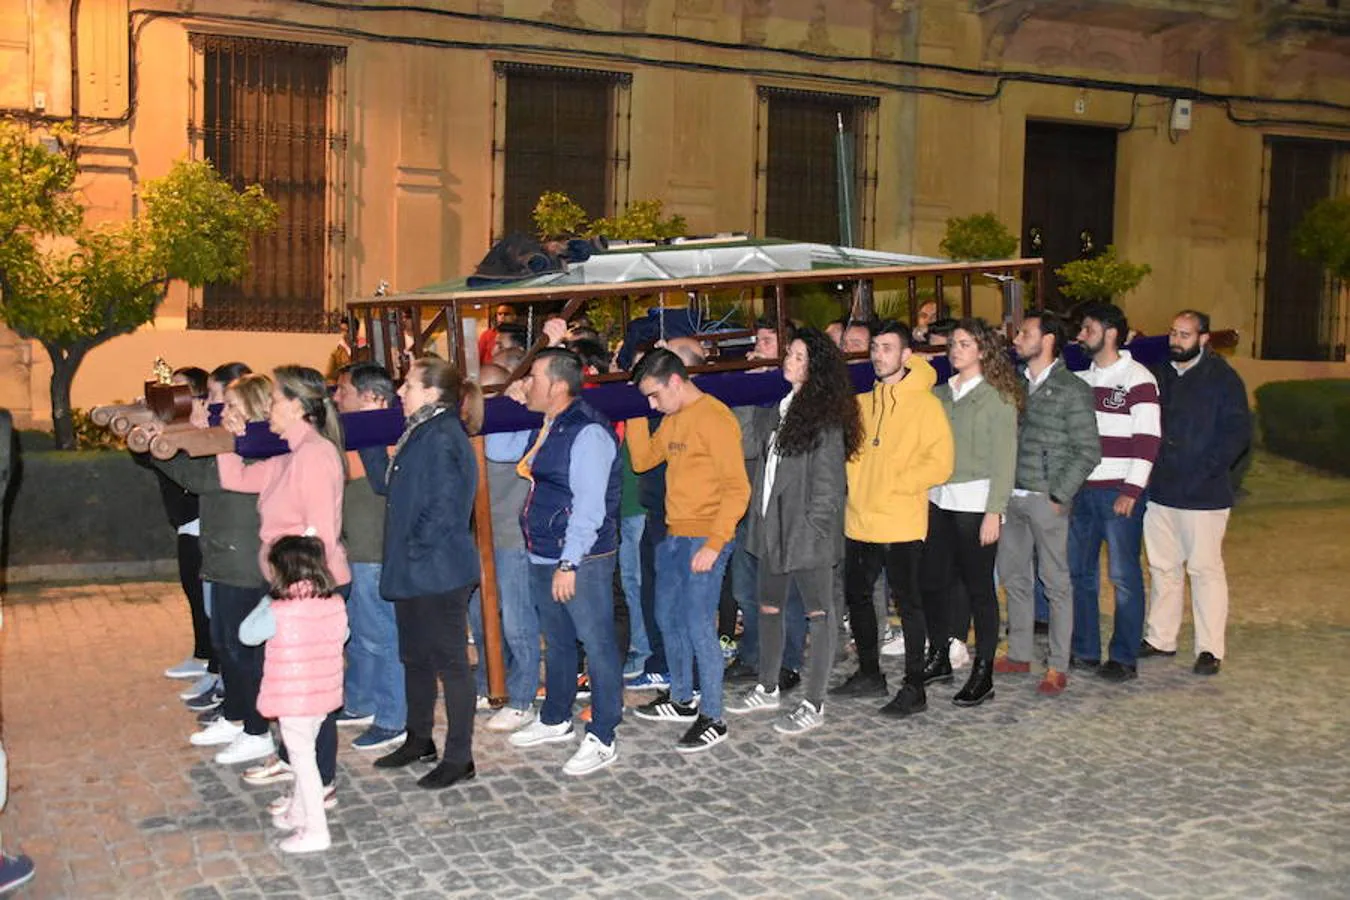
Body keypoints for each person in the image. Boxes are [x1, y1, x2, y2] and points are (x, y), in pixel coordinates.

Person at [215, 366, 350, 775]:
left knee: (313, 690)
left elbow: (322, 534)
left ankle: (320, 778)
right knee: (290, 681)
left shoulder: (314, 455)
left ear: (295, 405)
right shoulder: (291, 454)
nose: (268, 408)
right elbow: (235, 478)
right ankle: (294, 760)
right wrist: (227, 437)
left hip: (309, 589)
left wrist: (301, 594)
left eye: (274, 399)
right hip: (288, 586)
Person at [726, 329, 862, 733]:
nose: (789, 360)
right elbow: (748, 447)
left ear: (815, 367)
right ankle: (768, 685)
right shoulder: (780, 407)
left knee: (820, 617)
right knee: (768, 608)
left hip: (805, 534)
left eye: (799, 357)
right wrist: (750, 384)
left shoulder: (824, 419)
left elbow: (829, 486)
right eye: (790, 354)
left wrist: (815, 531)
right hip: (772, 527)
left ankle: (813, 702)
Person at [498, 349, 625, 775]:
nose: (525, 383)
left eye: (532, 377)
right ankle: (555, 716)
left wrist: (569, 563)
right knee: (558, 639)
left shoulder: (587, 431)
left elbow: (589, 506)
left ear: (556, 385)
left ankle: (604, 733)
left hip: (579, 557)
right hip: (544, 549)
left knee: (597, 643)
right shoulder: (554, 423)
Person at [360, 357, 481, 789]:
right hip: (416, 568)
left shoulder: (444, 434)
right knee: (414, 658)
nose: (400, 392)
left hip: (439, 571)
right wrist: (368, 439)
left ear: (432, 393)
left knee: (451, 664)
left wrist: (414, 548)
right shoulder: (420, 431)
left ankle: (460, 757)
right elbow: (388, 486)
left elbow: (447, 507)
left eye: (408, 385)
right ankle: (419, 738)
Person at [626, 349, 751, 752]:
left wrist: (715, 544)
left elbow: (738, 488)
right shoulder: (673, 416)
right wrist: (630, 413)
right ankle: (682, 698)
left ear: (675, 382)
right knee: (667, 617)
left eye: (654, 395)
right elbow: (644, 460)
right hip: (675, 534)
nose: (652, 404)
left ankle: (713, 716)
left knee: (699, 625)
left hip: (705, 537)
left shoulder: (715, 419)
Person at [830, 321, 952, 716]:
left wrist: (896, 482)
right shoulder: (862, 403)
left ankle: (914, 685)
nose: (878, 355)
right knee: (858, 597)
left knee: (909, 604)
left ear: (905, 356)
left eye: (887, 348)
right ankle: (869, 672)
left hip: (901, 520)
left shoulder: (926, 404)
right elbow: (849, 454)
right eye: (875, 348)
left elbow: (941, 462)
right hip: (860, 520)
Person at [995, 311, 1101, 695]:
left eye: (1025, 333)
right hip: (1012, 496)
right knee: (1015, 577)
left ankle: (1057, 664)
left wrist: (1060, 494)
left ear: (1050, 339)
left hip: (1046, 499)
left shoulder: (1071, 388)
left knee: (1055, 583)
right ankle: (1020, 652)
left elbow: (1088, 450)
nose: (1017, 339)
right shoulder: (1014, 384)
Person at [1140, 310, 1251, 676]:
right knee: (1162, 567)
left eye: (1185, 335)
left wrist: (1208, 470)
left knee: (1204, 570)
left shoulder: (1222, 379)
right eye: (1173, 333)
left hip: (1205, 494)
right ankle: (1160, 638)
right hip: (1162, 489)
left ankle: (1209, 648)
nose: (1176, 340)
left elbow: (1236, 433)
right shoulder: (1160, 373)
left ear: (1204, 338)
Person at [917, 319, 1020, 708]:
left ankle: (984, 671)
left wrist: (995, 512)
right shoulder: (940, 394)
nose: (955, 350)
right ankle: (941, 654)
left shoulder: (998, 398)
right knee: (934, 582)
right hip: (939, 499)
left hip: (976, 502)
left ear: (983, 351)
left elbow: (1004, 460)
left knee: (979, 590)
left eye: (964, 344)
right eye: (953, 344)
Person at [1070, 301, 1161, 682]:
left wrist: (1132, 490)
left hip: (1118, 493)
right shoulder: (1081, 380)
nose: (1079, 335)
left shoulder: (1138, 378)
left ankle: (1123, 657)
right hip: (1082, 492)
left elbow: (1148, 440)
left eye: (1087, 329)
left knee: (1123, 577)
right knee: (1080, 574)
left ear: (1110, 332)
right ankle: (1085, 650)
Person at [257, 536, 348, 854]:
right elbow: (344, 634)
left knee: (303, 762)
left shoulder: (278, 610)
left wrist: (266, 602)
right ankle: (297, 812)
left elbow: (248, 633)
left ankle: (316, 830)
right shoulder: (334, 603)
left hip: (293, 698)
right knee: (305, 754)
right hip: (322, 695)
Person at [333, 363, 407, 751]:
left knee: (383, 636)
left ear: (372, 399)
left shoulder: (384, 435)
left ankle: (394, 717)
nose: (336, 397)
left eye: (343, 391)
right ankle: (360, 701)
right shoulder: (360, 434)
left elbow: (352, 476)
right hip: (358, 548)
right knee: (362, 635)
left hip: (375, 551)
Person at [478, 364, 544, 731]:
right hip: (486, 537)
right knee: (481, 612)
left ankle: (522, 698)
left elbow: (502, 453)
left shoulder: (514, 423)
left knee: (519, 619)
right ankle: (492, 681)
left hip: (512, 537)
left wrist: (507, 403)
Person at [157, 366, 211, 684]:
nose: (172, 395)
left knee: (207, 598)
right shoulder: (177, 425)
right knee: (193, 593)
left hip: (202, 522)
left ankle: (212, 663)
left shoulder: (200, 430)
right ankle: (202, 654)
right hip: (186, 523)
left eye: (179, 389)